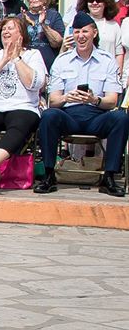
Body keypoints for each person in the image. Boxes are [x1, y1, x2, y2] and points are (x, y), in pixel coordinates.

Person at [35, 12, 128, 197]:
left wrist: (94, 99)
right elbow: (53, 100)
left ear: (94, 33)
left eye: (85, 31)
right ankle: (48, 175)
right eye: (76, 32)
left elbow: (112, 100)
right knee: (48, 115)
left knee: (120, 118)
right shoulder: (62, 61)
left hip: (96, 114)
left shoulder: (107, 60)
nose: (80, 36)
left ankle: (109, 177)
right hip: (69, 114)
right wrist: (67, 98)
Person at [0, 17, 47, 193]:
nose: (5, 31)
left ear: (22, 34)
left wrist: (17, 58)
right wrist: (4, 60)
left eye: (11, 28)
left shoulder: (33, 55)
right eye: (4, 28)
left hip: (23, 106)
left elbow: (34, 83)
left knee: (20, 123)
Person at [63, 0, 124, 80]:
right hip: (80, 76)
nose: (95, 3)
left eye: (99, 0)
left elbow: (119, 53)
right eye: (91, 0)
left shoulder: (114, 26)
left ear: (106, 3)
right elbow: (67, 50)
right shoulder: (75, 23)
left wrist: (117, 76)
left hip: (107, 76)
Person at [20, 0, 64, 70]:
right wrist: (23, 24)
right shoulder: (20, 17)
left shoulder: (54, 15)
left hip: (49, 68)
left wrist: (43, 24)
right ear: (28, 0)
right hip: (26, 66)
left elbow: (57, 42)